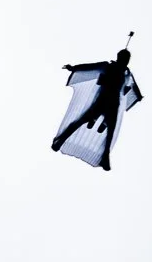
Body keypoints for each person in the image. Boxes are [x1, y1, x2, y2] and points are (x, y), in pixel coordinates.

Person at [53, 37, 139, 167]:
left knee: (110, 131)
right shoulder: (108, 66)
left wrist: (138, 95)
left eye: (127, 59)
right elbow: (90, 67)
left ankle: (105, 156)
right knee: (82, 121)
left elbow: (133, 87)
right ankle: (61, 140)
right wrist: (74, 68)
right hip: (102, 100)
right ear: (119, 57)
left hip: (113, 104)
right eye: (124, 58)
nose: (125, 61)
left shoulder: (126, 74)